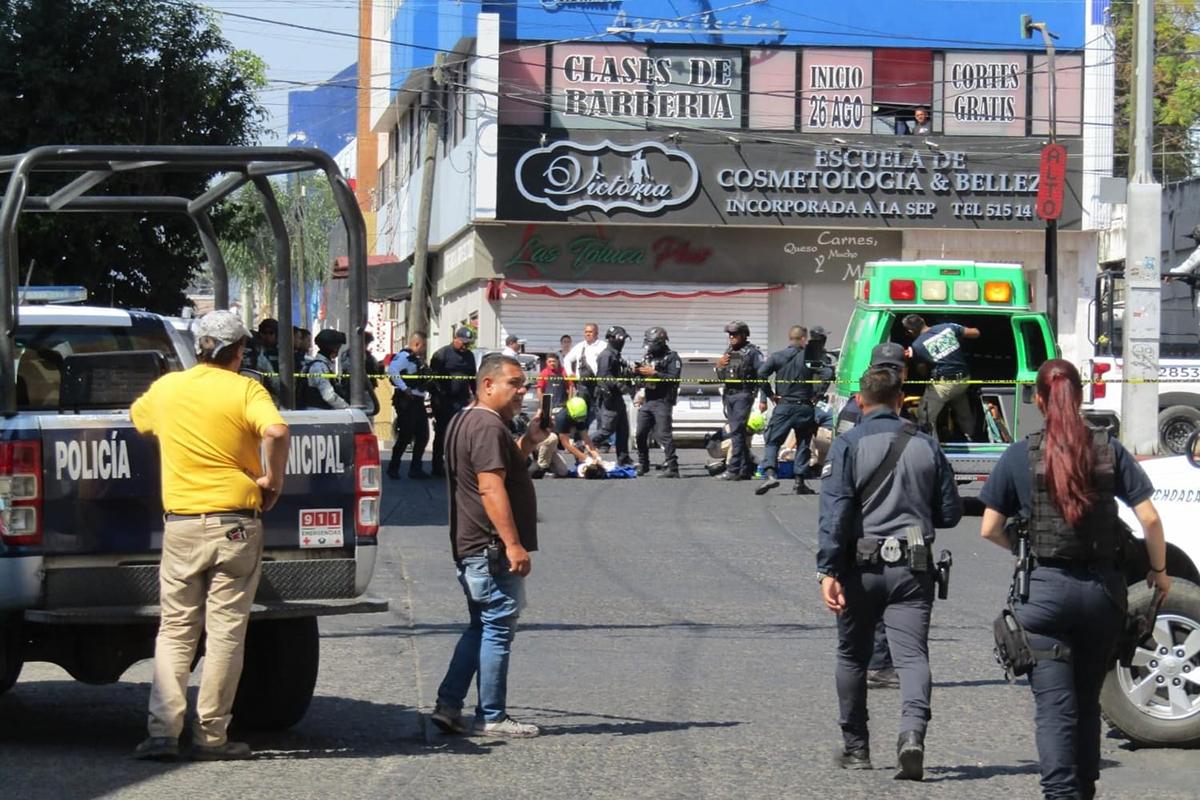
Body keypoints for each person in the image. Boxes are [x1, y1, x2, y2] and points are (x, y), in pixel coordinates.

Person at [978, 359, 1170, 799]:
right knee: (1087, 702)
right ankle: (1084, 791)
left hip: (1044, 593)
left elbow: (988, 528)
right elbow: (1150, 519)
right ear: (1081, 397)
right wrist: (1159, 574)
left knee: (1054, 711)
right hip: (1103, 597)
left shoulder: (1020, 454)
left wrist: (1022, 549)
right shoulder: (1109, 450)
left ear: (1041, 400)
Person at [130, 310, 290, 761]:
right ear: (239, 351)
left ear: (199, 347)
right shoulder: (245, 389)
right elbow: (276, 430)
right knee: (224, 631)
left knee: (176, 629)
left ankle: (162, 732)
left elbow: (137, 419)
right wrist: (272, 481)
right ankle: (211, 736)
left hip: (182, 523)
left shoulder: (168, 389)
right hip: (236, 523)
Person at [817, 366, 962, 780]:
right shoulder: (926, 444)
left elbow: (836, 513)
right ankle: (912, 735)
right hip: (913, 568)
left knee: (851, 655)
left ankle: (857, 748)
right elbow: (949, 512)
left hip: (859, 568)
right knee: (912, 656)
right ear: (901, 400)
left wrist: (827, 570)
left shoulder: (847, 444)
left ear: (860, 402)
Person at [430, 354, 550, 738]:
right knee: (497, 626)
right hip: (489, 547)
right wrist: (513, 544)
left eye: (523, 384)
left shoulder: (468, 420)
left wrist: (528, 442)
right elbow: (489, 485)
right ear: (487, 385)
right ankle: (492, 715)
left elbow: (500, 466)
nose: (522, 390)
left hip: (473, 544)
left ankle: (449, 706)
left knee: (481, 626)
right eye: (514, 383)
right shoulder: (486, 426)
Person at [833, 341, 911, 691]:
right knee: (881, 597)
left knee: (864, 600)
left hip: (855, 518)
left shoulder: (854, 409)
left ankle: (866, 663)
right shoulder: (892, 415)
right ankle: (877, 664)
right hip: (878, 516)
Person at [756, 325, 830, 496]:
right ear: (803, 339)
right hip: (805, 407)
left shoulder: (777, 356)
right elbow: (827, 372)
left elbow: (761, 374)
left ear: (790, 338)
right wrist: (818, 394)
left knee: (773, 441)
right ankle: (799, 482)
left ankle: (770, 474)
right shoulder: (809, 358)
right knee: (803, 443)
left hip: (784, 405)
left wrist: (771, 395)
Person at [901, 314, 980, 442]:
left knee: (925, 416)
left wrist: (917, 357)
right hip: (964, 380)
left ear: (910, 331)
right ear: (923, 321)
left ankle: (930, 446)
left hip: (944, 385)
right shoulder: (948, 327)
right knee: (962, 409)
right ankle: (972, 437)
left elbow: (923, 371)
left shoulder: (917, 346)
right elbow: (975, 333)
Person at [715, 320, 767, 481]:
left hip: (744, 394)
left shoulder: (752, 353)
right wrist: (719, 366)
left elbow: (762, 374)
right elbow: (721, 375)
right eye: (729, 334)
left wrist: (763, 398)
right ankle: (745, 468)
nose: (731, 337)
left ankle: (733, 469)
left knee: (736, 432)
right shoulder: (729, 351)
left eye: (734, 334)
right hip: (729, 394)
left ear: (744, 335)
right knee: (739, 433)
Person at [429, 327, 478, 477]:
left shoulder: (469, 356)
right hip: (444, 401)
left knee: (460, 435)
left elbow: (472, 378)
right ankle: (437, 466)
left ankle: (456, 467)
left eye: (468, 344)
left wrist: (476, 396)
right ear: (455, 339)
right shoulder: (442, 354)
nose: (465, 346)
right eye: (463, 343)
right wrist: (436, 399)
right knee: (442, 434)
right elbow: (433, 379)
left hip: (462, 401)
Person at [634, 326, 682, 478]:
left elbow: (674, 379)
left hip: (663, 401)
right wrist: (638, 373)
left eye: (651, 343)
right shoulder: (648, 357)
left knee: (663, 434)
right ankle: (643, 464)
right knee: (640, 433)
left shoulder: (672, 357)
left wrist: (655, 373)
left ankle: (673, 467)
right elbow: (640, 379)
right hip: (648, 399)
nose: (648, 347)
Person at [387, 331, 431, 480]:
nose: (424, 349)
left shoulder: (415, 359)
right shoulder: (404, 356)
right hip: (407, 400)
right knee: (405, 435)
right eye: (423, 346)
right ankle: (393, 467)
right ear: (417, 344)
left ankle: (415, 469)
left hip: (417, 400)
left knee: (423, 435)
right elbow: (392, 370)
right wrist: (404, 388)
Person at [590, 325, 634, 467]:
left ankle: (624, 459)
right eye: (621, 339)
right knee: (606, 430)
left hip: (617, 397)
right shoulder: (606, 355)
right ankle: (581, 446)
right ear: (612, 339)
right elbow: (604, 376)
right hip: (608, 398)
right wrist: (619, 385)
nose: (623, 342)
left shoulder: (615, 354)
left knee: (623, 429)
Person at [534, 396, 599, 478]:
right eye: (578, 418)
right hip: (540, 442)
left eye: (581, 418)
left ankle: (548, 463)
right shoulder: (562, 417)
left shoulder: (578, 415)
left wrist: (597, 457)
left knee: (563, 472)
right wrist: (586, 459)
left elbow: (586, 440)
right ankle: (541, 466)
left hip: (553, 446)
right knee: (552, 438)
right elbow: (566, 444)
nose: (580, 420)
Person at [563, 323, 606, 422]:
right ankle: (581, 435)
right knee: (581, 414)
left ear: (596, 333)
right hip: (582, 386)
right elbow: (567, 360)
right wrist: (570, 373)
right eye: (586, 332)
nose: (588, 334)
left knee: (600, 413)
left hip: (598, 385)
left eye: (590, 332)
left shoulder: (603, 346)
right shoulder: (580, 346)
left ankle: (601, 436)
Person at [299, 329, 349, 410]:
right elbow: (328, 396)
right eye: (338, 347)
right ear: (335, 348)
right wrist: (347, 408)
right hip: (318, 414)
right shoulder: (319, 366)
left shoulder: (322, 365)